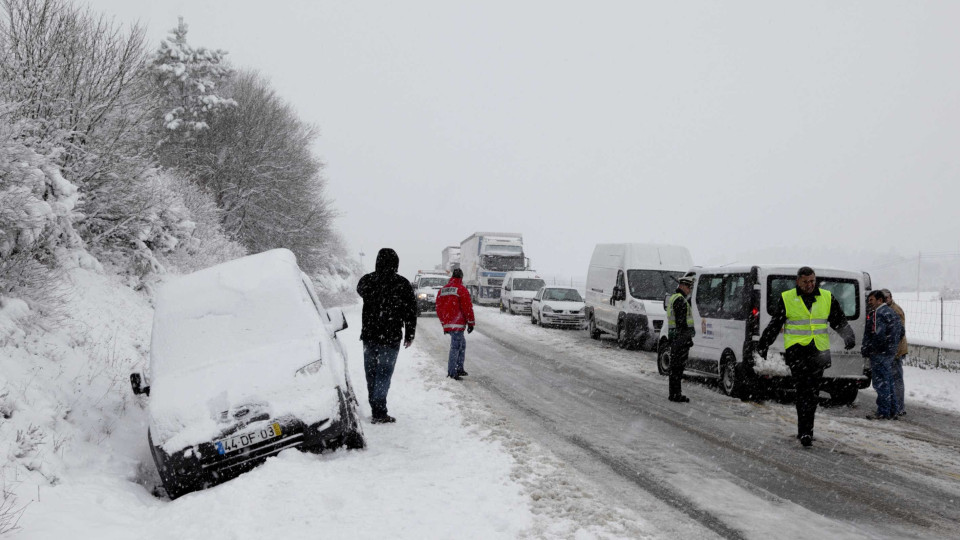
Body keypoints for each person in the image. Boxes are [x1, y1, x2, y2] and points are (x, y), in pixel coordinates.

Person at [757, 267, 856, 447]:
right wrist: (764, 343)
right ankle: (804, 431)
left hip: (818, 352)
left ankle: (807, 430)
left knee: (812, 393)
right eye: (806, 282)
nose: (810, 285)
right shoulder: (787, 298)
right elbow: (775, 323)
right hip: (797, 353)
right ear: (798, 282)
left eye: (812, 281)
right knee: (803, 392)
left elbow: (838, 320)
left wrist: (848, 336)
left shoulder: (826, 297)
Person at [356, 248, 417, 424]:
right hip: (391, 337)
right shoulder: (402, 284)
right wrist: (409, 334)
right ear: (396, 264)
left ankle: (376, 406)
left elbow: (360, 290)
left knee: (371, 373)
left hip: (370, 336)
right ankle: (379, 410)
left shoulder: (367, 281)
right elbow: (411, 312)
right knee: (384, 374)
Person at [862, 290, 905, 420]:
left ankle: (883, 411)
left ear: (879, 300)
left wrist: (871, 348)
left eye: (871, 300)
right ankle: (893, 410)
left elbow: (878, 334)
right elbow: (901, 331)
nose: (869, 303)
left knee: (880, 383)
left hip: (879, 353)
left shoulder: (878, 314)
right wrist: (892, 345)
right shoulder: (892, 312)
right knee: (889, 381)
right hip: (890, 353)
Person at [435, 268, 476, 380]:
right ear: (461, 278)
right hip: (457, 323)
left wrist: (444, 323)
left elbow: (438, 308)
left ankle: (459, 368)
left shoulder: (443, 290)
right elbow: (467, 307)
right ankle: (452, 372)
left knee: (461, 344)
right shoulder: (461, 289)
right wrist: (471, 323)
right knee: (456, 347)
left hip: (449, 322)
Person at [666, 274, 696, 403]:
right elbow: (682, 322)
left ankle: (674, 393)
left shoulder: (674, 298)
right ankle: (676, 394)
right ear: (682, 286)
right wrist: (687, 338)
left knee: (675, 368)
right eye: (688, 287)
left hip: (675, 338)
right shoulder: (680, 300)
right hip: (680, 339)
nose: (689, 290)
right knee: (677, 368)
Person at [882, 289, 908, 417]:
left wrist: (894, 351)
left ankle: (898, 407)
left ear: (890, 297)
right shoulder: (889, 310)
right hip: (894, 350)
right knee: (893, 378)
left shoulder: (895, 311)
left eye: (886, 298)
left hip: (896, 350)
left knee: (896, 379)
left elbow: (898, 333)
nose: (884, 300)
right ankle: (896, 406)